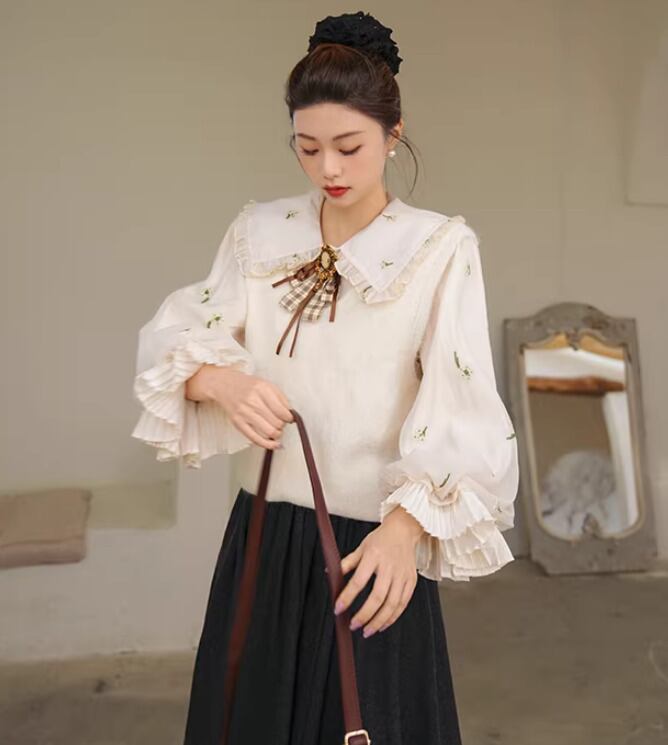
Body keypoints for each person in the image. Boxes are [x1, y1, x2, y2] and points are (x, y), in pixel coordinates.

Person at [131, 11, 519, 745]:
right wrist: (221, 381)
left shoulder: (437, 248)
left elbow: (464, 405)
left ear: (393, 134)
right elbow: (176, 337)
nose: (328, 169)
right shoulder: (260, 232)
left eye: (349, 146)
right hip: (263, 536)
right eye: (307, 148)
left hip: (374, 545)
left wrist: (406, 532)